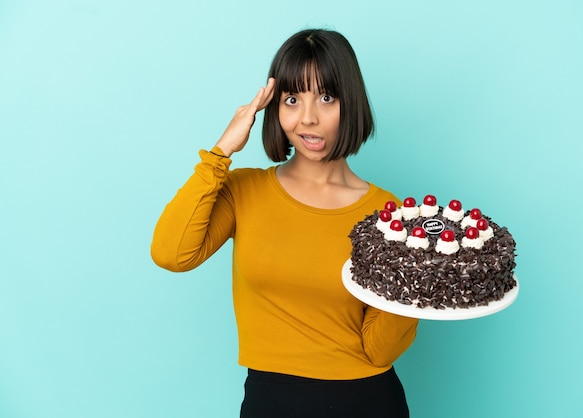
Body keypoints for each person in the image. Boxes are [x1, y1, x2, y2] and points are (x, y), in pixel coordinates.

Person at [151, 29, 419, 417]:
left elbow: (380, 349)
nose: (308, 118)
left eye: (326, 97)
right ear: (273, 107)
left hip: (368, 400)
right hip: (270, 400)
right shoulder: (243, 190)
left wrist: (415, 285)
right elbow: (171, 253)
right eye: (292, 99)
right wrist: (221, 151)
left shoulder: (387, 212)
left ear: (351, 103)